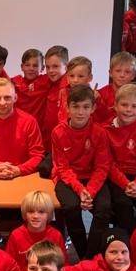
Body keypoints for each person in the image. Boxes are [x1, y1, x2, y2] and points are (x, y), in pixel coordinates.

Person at [51, 84, 111, 259]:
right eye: (75, 106)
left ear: (93, 108)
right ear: (67, 107)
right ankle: (83, 252)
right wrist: (80, 189)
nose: (80, 112)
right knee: (71, 208)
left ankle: (90, 256)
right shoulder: (58, 132)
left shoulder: (99, 132)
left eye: (86, 107)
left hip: (92, 178)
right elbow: (63, 168)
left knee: (104, 208)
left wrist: (89, 191)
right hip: (68, 179)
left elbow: (102, 167)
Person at [105, 83, 136, 232]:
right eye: (124, 105)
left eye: (134, 106)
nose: (128, 110)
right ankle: (127, 238)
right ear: (115, 105)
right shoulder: (105, 130)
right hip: (115, 177)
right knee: (122, 204)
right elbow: (108, 164)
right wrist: (125, 184)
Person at [3, 189, 65, 269]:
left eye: (41, 212)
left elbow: (63, 265)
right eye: (31, 212)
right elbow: (8, 265)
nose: (35, 216)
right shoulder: (16, 235)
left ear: (49, 214)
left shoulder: (56, 236)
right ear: (25, 213)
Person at [94, 51, 136, 125]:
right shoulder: (99, 95)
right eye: (118, 71)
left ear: (133, 75)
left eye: (127, 72)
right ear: (110, 73)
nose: (122, 75)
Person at [12, 47, 50, 123]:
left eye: (35, 66)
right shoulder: (14, 82)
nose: (31, 68)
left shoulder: (46, 81)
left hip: (39, 127)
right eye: (27, 65)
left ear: (42, 68)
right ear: (22, 67)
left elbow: (63, 75)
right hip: (19, 125)